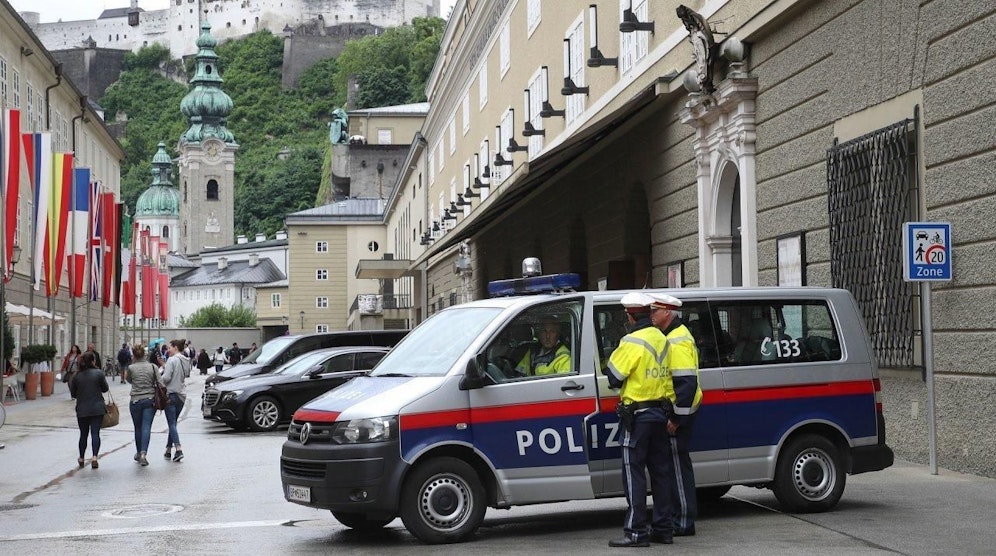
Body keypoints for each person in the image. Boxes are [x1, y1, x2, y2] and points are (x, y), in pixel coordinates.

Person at [602, 292, 678, 547]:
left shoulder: (631, 341)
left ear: (629, 316)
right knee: (661, 473)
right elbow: (668, 379)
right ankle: (664, 529)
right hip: (660, 413)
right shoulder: (662, 339)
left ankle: (636, 532)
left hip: (637, 416)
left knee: (634, 474)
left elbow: (613, 377)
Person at [656, 296, 703, 537]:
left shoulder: (676, 340)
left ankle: (683, 521)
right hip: (677, 411)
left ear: (666, 312)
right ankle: (678, 517)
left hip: (680, 414)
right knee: (674, 465)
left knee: (677, 466)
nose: (651, 315)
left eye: (654, 311)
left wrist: (675, 419)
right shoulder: (672, 335)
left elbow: (686, 384)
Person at [69, 352, 108, 469]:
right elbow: (105, 389)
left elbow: (74, 394)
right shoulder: (99, 373)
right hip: (97, 408)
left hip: (82, 409)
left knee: (83, 434)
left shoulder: (76, 376)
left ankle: (81, 457)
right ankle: (95, 457)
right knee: (95, 433)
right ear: (93, 361)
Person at [125, 344, 161, 466]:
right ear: (145, 355)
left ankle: (138, 452)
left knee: (138, 428)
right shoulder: (153, 367)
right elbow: (160, 383)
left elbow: (129, 380)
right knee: (146, 427)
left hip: (135, 400)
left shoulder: (131, 368)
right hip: (150, 399)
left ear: (134, 355)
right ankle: (144, 454)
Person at [162, 339, 188, 462]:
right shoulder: (185, 360)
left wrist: (159, 377)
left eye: (169, 348)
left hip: (171, 395)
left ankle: (178, 449)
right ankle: (168, 449)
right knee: (173, 424)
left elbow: (166, 378)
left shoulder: (171, 360)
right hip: (181, 396)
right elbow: (184, 375)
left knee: (171, 424)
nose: (168, 350)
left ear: (176, 347)